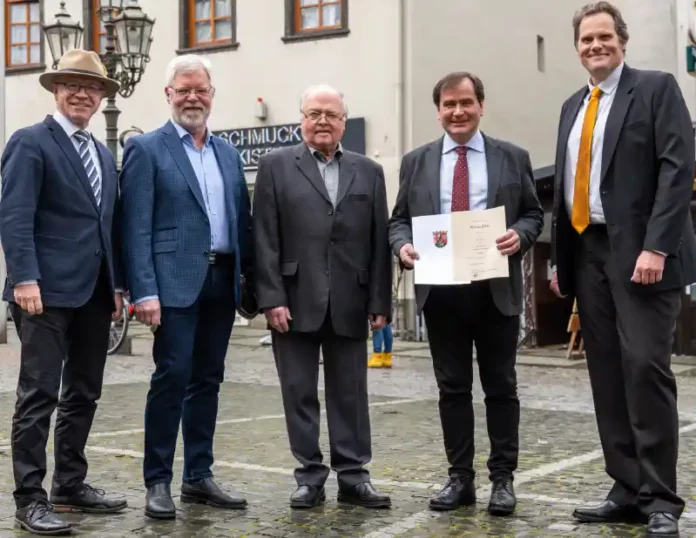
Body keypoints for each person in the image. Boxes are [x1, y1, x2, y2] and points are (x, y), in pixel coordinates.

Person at [550, 3, 696, 536]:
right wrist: (562, 261)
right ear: (578, 47)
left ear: (623, 41)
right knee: (606, 371)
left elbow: (678, 169)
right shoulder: (572, 105)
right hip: (589, 252)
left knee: (644, 368)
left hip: (643, 255)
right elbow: (570, 183)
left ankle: (660, 497)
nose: (595, 46)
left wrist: (656, 246)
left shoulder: (655, 89)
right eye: (586, 39)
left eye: (604, 37)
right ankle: (626, 485)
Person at [388, 72, 543, 515]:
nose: (458, 111)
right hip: (442, 293)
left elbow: (533, 213)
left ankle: (502, 480)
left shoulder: (512, 157)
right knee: (452, 389)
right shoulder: (416, 161)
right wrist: (402, 246)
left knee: (501, 387)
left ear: (481, 106)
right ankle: (460, 479)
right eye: (449, 104)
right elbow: (398, 219)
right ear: (438, 110)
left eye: (466, 103)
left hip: (494, 289)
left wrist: (521, 235)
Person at [0, 49, 127, 536]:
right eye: (72, 85)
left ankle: (69, 484)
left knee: (84, 393)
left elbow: (107, 225)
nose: (82, 93)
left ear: (100, 97)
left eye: (91, 87)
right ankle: (29, 496)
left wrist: (116, 284)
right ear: (56, 90)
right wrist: (25, 277)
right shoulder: (30, 142)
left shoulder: (101, 152)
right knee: (37, 395)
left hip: (94, 293)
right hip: (44, 293)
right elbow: (15, 215)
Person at [120, 54, 253, 519]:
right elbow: (134, 226)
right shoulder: (147, 148)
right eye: (184, 90)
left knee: (208, 380)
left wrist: (249, 283)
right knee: (171, 378)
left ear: (212, 96)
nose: (193, 97)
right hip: (172, 285)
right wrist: (143, 291)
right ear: (168, 95)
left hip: (222, 281)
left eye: (201, 90)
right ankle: (157, 480)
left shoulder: (229, 154)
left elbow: (242, 222)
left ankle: (198, 475)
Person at [253, 84, 393, 509]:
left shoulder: (368, 171)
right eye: (314, 113)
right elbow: (264, 237)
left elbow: (378, 239)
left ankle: (353, 476)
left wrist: (380, 302)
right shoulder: (275, 165)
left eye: (331, 115)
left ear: (344, 123)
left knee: (350, 392)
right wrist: (271, 297)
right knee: (299, 391)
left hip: (351, 298)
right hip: (293, 299)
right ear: (301, 119)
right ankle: (309, 476)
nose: (322, 122)